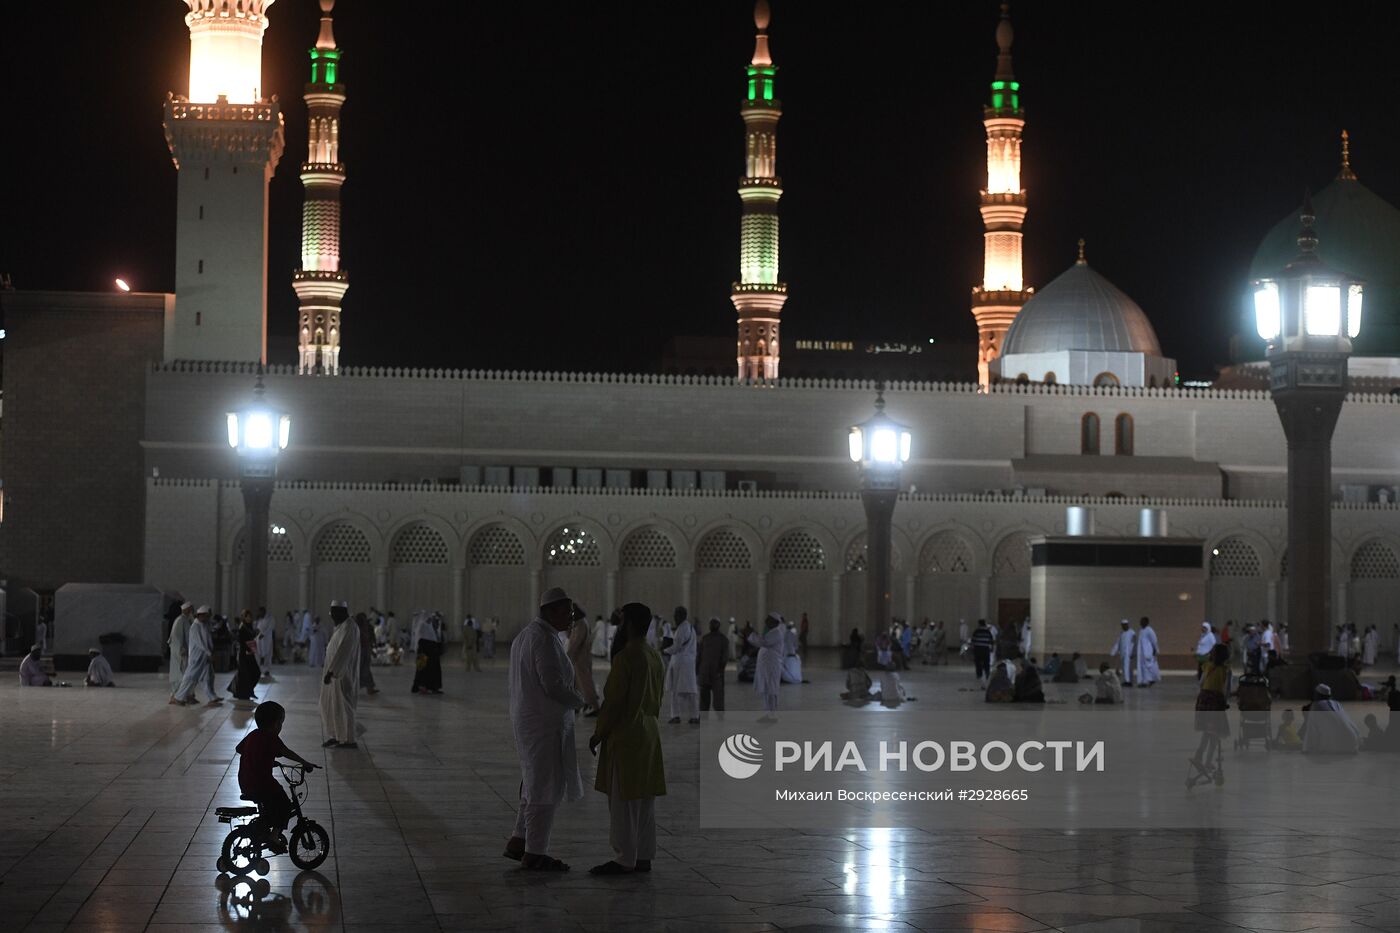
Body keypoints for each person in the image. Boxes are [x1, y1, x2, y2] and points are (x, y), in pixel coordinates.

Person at [504, 587, 586, 872]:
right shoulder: (544, 640)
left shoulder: (526, 636)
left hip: (530, 721)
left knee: (532, 782)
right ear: (551, 612)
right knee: (544, 787)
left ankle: (520, 839)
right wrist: (579, 699)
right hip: (543, 724)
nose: (571, 618)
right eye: (567, 613)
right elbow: (552, 684)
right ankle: (535, 853)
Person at [587, 601, 666, 875]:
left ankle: (624, 858)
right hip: (649, 732)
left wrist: (599, 733)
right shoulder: (654, 655)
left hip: (627, 734)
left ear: (630, 625)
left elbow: (614, 703)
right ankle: (643, 855)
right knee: (644, 801)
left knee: (623, 801)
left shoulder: (626, 658)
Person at [236, 701, 318, 853]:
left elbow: (239, 749)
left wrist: (262, 758)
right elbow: (287, 752)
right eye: (281, 723)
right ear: (275, 724)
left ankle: (263, 830)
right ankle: (274, 836)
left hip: (245, 782)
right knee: (285, 806)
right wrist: (304, 762)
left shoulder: (253, 735)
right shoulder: (271, 737)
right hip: (263, 784)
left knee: (271, 806)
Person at [320, 600, 361, 749]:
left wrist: (332, 672)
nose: (332, 616)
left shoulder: (350, 627)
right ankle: (337, 735)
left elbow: (344, 652)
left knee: (344, 707)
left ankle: (349, 739)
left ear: (342, 612)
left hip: (343, 675)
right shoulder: (341, 627)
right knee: (331, 705)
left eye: (334, 612)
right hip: (334, 676)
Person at [1191, 643, 1231, 776]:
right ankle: (1207, 761)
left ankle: (1199, 756)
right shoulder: (1226, 670)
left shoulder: (1207, 666)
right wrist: (1225, 703)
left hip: (1204, 700)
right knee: (1214, 732)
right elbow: (1225, 690)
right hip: (1216, 702)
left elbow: (1200, 683)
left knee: (1208, 731)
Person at [171, 607, 222, 707]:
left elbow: (208, 639)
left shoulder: (205, 624)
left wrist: (210, 652)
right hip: (197, 657)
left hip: (205, 656)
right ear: (200, 615)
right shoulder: (195, 627)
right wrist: (209, 653)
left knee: (208, 676)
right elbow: (200, 643)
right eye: (206, 616)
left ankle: (212, 698)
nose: (208, 618)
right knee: (190, 677)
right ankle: (178, 697)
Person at [663, 607, 699, 724]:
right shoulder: (689, 627)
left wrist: (665, 651)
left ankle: (676, 716)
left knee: (675, 690)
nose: (674, 618)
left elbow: (676, 647)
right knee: (690, 691)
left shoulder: (682, 629)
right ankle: (694, 715)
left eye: (676, 615)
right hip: (687, 663)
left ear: (680, 616)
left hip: (680, 663)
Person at [1301, 684, 1360, 754]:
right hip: (1353, 743)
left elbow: (1311, 732)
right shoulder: (1338, 704)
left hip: (1337, 748)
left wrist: (1305, 750)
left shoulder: (1316, 706)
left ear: (1317, 695)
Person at [748, 613, 786, 720]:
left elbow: (763, 642)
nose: (765, 621)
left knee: (772, 689)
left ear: (775, 622)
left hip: (772, 665)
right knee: (767, 688)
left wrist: (751, 634)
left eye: (768, 620)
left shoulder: (776, 632)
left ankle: (772, 714)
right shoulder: (771, 632)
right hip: (767, 665)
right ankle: (768, 712)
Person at [566, 604, 598, 713]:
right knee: (578, 684)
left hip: (581, 659)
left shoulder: (582, 624)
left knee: (585, 683)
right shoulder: (578, 623)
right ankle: (579, 704)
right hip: (577, 659)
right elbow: (569, 637)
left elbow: (576, 643)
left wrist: (567, 656)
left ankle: (594, 706)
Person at [228, 610, 261, 702]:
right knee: (245, 675)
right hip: (244, 654)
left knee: (255, 673)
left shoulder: (249, 627)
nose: (249, 618)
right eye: (247, 617)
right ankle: (244, 693)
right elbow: (242, 641)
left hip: (250, 654)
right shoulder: (242, 627)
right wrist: (247, 650)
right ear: (244, 617)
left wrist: (257, 634)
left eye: (250, 617)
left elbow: (251, 637)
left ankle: (248, 691)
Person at [697, 617, 729, 713]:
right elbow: (699, 655)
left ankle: (720, 718)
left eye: (714, 624)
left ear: (718, 626)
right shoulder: (705, 638)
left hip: (716, 674)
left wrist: (720, 670)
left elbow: (725, 657)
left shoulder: (723, 639)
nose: (712, 626)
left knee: (718, 698)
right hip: (705, 673)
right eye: (711, 624)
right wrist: (697, 670)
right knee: (704, 698)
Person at [411, 612, 444, 695]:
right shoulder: (422, 627)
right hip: (423, 650)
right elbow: (418, 639)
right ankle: (422, 686)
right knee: (422, 669)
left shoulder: (431, 629)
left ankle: (433, 687)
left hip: (432, 652)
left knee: (434, 670)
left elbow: (436, 639)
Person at [168, 601, 193, 690]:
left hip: (182, 650)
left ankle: (184, 694)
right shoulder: (181, 620)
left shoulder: (184, 619)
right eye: (190, 609)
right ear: (186, 609)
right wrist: (181, 649)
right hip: (180, 651)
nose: (191, 611)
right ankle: (175, 694)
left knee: (182, 672)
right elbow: (178, 636)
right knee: (179, 672)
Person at [356, 612, 379, 695]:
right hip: (359, 653)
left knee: (365, 670)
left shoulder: (367, 628)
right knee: (359, 671)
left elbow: (369, 641)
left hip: (365, 652)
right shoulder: (357, 629)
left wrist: (372, 651)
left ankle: (370, 688)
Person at [1110, 619, 1135, 687]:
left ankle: (1128, 681)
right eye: (1122, 625)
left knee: (1127, 667)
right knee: (1124, 668)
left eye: (1125, 625)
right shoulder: (1122, 634)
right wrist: (1113, 652)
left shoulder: (1132, 632)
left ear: (1127, 625)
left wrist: (1133, 652)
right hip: (1123, 653)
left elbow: (1134, 643)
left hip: (1129, 653)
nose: (1124, 626)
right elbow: (1118, 643)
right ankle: (1126, 680)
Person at [1135, 617, 1159, 687]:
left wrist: (1155, 650)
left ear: (1146, 622)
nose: (1140, 623)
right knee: (1143, 667)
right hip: (1142, 653)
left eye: (1142, 621)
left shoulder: (1150, 630)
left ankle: (1148, 681)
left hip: (1148, 652)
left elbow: (1154, 641)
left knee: (1148, 666)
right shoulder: (1141, 631)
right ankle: (1144, 681)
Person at [970, 619, 995, 686]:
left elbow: (973, 641)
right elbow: (991, 641)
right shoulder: (988, 631)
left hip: (978, 649)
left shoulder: (976, 631)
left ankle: (979, 674)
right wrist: (992, 648)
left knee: (978, 662)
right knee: (986, 662)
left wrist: (972, 649)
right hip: (985, 649)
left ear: (979, 624)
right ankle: (987, 673)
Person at [255, 607, 275, 677]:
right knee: (258, 655)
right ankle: (260, 670)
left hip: (267, 640)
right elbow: (257, 628)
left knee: (267, 656)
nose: (259, 613)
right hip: (259, 640)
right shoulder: (259, 619)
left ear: (264, 611)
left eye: (260, 612)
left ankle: (267, 671)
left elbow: (271, 627)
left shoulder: (270, 618)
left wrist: (263, 634)